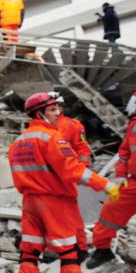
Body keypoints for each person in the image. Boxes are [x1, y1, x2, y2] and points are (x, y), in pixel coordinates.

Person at [7, 92, 118, 273]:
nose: (58, 113)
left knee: (29, 254)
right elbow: (73, 170)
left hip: (30, 203)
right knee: (69, 256)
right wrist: (106, 185)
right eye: (53, 110)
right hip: (56, 202)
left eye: (58, 108)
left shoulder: (18, 143)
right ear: (40, 113)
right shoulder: (52, 138)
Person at [87, 92, 136, 269]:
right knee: (109, 212)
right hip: (132, 182)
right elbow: (124, 153)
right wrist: (121, 175)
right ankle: (102, 250)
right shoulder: (133, 124)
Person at [48, 91, 92, 260]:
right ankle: (54, 249)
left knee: (71, 215)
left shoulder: (73, 125)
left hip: (65, 177)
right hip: (46, 178)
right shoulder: (41, 126)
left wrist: (80, 171)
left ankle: (81, 249)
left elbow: (83, 149)